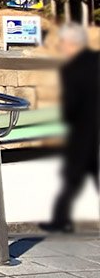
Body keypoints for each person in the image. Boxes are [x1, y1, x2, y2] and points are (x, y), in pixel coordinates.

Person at [43, 24, 100, 232]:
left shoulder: (71, 69)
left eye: (63, 44)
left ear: (72, 44)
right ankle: (60, 218)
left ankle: (60, 220)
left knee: (73, 176)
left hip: (85, 133)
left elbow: (71, 105)